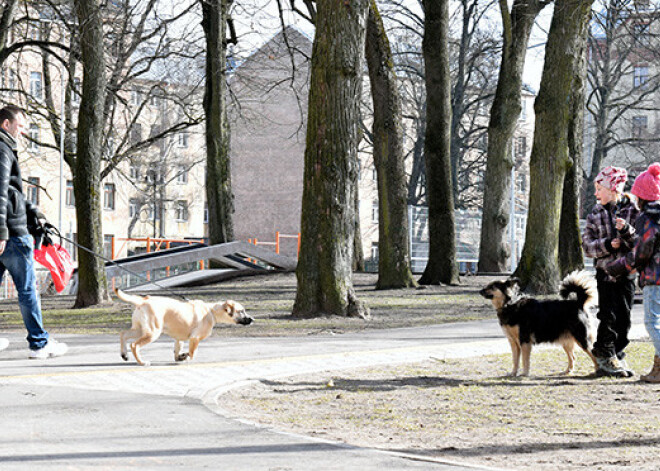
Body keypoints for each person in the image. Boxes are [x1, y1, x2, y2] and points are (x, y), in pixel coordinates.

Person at [0, 105, 67, 359]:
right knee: (27, 291)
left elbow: (12, 193)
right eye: (21, 124)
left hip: (8, 231)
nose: (24, 130)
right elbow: (2, 193)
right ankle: (39, 344)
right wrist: (3, 232)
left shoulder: (5, 150)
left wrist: (33, 211)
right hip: (12, 236)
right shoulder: (3, 150)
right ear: (6, 124)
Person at [582, 166, 638, 377]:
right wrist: (607, 244)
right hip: (605, 273)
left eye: (600, 189)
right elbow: (587, 247)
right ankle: (605, 354)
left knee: (624, 317)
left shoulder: (633, 210)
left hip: (626, 273)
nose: (596, 194)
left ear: (613, 188)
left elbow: (640, 243)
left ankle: (616, 353)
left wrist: (626, 231)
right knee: (608, 315)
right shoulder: (594, 215)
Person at [607, 163, 660, 383]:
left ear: (642, 197)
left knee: (652, 322)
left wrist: (617, 267)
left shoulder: (647, 218)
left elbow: (642, 253)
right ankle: (657, 369)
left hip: (654, 279)